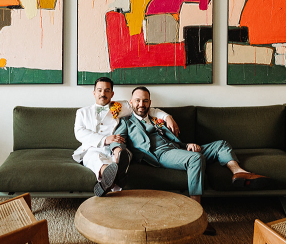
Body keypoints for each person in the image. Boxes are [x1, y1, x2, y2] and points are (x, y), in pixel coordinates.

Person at [111, 86, 269, 235]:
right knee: (196, 159)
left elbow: (175, 140)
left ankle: (238, 172)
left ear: (150, 103)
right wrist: (117, 149)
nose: (141, 104)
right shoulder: (126, 122)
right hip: (160, 154)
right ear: (131, 102)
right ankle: (197, 214)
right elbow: (118, 139)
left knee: (221, 144)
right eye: (137, 100)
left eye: (145, 101)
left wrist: (188, 145)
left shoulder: (156, 118)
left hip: (179, 149)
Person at [73, 77, 178, 197]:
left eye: (107, 90)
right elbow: (79, 132)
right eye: (100, 90)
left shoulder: (122, 106)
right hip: (93, 148)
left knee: (124, 154)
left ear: (112, 93)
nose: (103, 93)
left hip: (117, 147)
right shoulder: (82, 112)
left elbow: (145, 110)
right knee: (94, 157)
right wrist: (104, 139)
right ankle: (110, 173)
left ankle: (109, 180)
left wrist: (167, 117)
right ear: (94, 93)